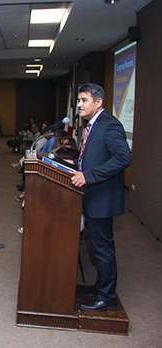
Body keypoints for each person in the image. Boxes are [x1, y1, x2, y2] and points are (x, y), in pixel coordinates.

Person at [71, 83, 131, 312]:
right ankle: (100, 287)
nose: (78, 105)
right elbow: (92, 157)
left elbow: (123, 158)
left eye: (84, 100)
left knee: (103, 249)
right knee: (98, 248)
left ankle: (108, 297)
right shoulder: (91, 126)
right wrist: (73, 166)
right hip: (92, 195)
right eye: (78, 100)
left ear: (99, 102)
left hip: (102, 198)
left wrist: (88, 176)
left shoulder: (109, 125)